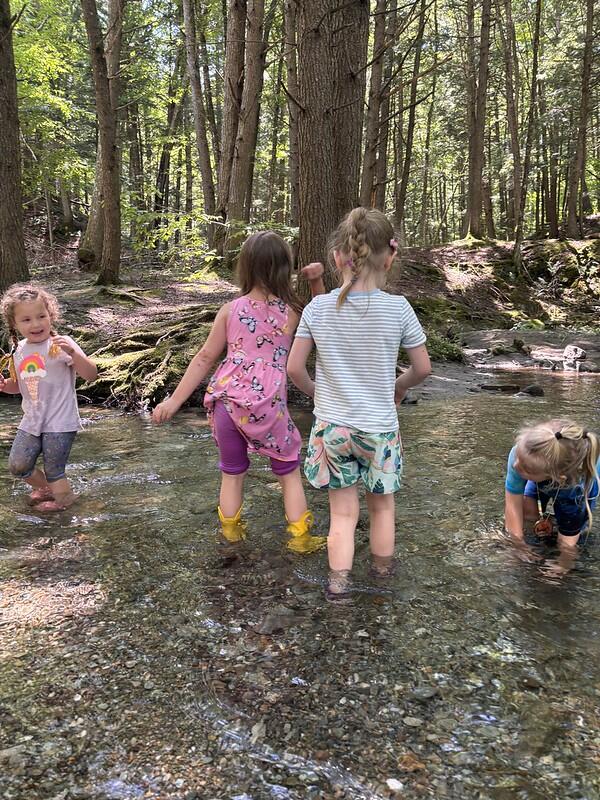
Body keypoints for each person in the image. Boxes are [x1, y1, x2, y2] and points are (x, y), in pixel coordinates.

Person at [287, 207, 431, 601]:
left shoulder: (318, 308)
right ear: (391, 256)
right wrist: (398, 388)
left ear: (338, 257)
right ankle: (383, 582)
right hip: (379, 427)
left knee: (343, 516)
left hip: (333, 428)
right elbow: (422, 368)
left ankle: (338, 587)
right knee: (382, 510)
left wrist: (320, 394)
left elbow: (294, 368)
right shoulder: (398, 308)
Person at [152, 231, 327, 553]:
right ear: (285, 269)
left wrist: (174, 401)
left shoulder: (230, 310)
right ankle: (300, 538)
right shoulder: (291, 312)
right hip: (269, 406)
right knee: (288, 472)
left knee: (232, 475)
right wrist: (316, 281)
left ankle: (231, 535)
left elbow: (205, 357)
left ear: (245, 267)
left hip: (226, 403)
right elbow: (323, 318)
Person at [0, 283, 98, 511]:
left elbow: (91, 375)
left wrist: (73, 353)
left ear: (50, 315)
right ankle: (50, 491)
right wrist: (5, 386)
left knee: (55, 471)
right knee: (18, 466)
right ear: (14, 324)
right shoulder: (19, 350)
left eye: (41, 316)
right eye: (26, 320)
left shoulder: (60, 345)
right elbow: (23, 387)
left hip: (60, 422)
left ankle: (67, 506)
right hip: (32, 420)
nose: (35, 324)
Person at [504, 419, 600, 571]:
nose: (516, 466)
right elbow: (512, 505)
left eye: (526, 469)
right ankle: (539, 532)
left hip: (574, 484)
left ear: (556, 478)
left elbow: (568, 541)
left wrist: (562, 565)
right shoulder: (520, 454)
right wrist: (518, 544)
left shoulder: (577, 491)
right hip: (545, 470)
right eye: (518, 459)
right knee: (528, 509)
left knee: (571, 528)